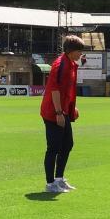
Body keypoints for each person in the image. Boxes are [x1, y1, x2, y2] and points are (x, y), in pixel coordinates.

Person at [40, 35, 86, 193]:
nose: (81, 54)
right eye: (79, 51)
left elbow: (69, 90)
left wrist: (73, 108)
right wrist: (59, 112)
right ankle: (50, 183)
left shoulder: (71, 64)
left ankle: (59, 179)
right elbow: (54, 89)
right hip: (53, 111)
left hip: (64, 110)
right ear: (72, 51)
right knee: (53, 147)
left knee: (67, 144)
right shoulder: (60, 65)